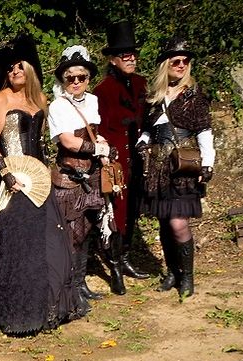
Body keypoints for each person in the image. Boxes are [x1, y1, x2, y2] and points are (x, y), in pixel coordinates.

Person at [0, 36, 72, 335]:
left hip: (37, 180)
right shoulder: (0, 99)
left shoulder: (40, 99)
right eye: (10, 67)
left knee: (47, 244)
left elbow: (41, 142)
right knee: (16, 247)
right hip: (10, 179)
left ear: (30, 68)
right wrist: (6, 174)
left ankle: (46, 310)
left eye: (20, 65)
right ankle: (18, 315)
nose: (15, 71)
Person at [137, 38, 214, 299]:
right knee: (163, 222)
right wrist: (143, 141)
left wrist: (208, 162)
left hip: (182, 168)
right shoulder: (155, 97)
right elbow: (149, 128)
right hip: (158, 167)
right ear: (165, 65)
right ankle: (172, 272)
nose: (181, 65)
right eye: (176, 61)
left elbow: (204, 131)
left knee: (178, 223)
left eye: (185, 61)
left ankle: (187, 276)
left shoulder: (193, 96)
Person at [48, 44, 110, 315]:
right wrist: (96, 148)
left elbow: (95, 133)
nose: (76, 82)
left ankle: (81, 283)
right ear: (63, 79)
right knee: (71, 235)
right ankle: (69, 291)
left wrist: (105, 147)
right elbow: (67, 141)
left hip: (92, 174)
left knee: (86, 233)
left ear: (88, 78)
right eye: (70, 77)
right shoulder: (57, 106)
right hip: (70, 178)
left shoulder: (93, 101)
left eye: (81, 77)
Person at [94, 20, 152, 287]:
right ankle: (115, 264)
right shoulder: (102, 90)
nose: (131, 59)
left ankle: (126, 256)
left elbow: (148, 119)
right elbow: (99, 130)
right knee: (116, 212)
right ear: (114, 59)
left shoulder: (142, 84)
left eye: (133, 54)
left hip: (140, 161)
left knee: (132, 211)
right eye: (125, 55)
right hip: (116, 161)